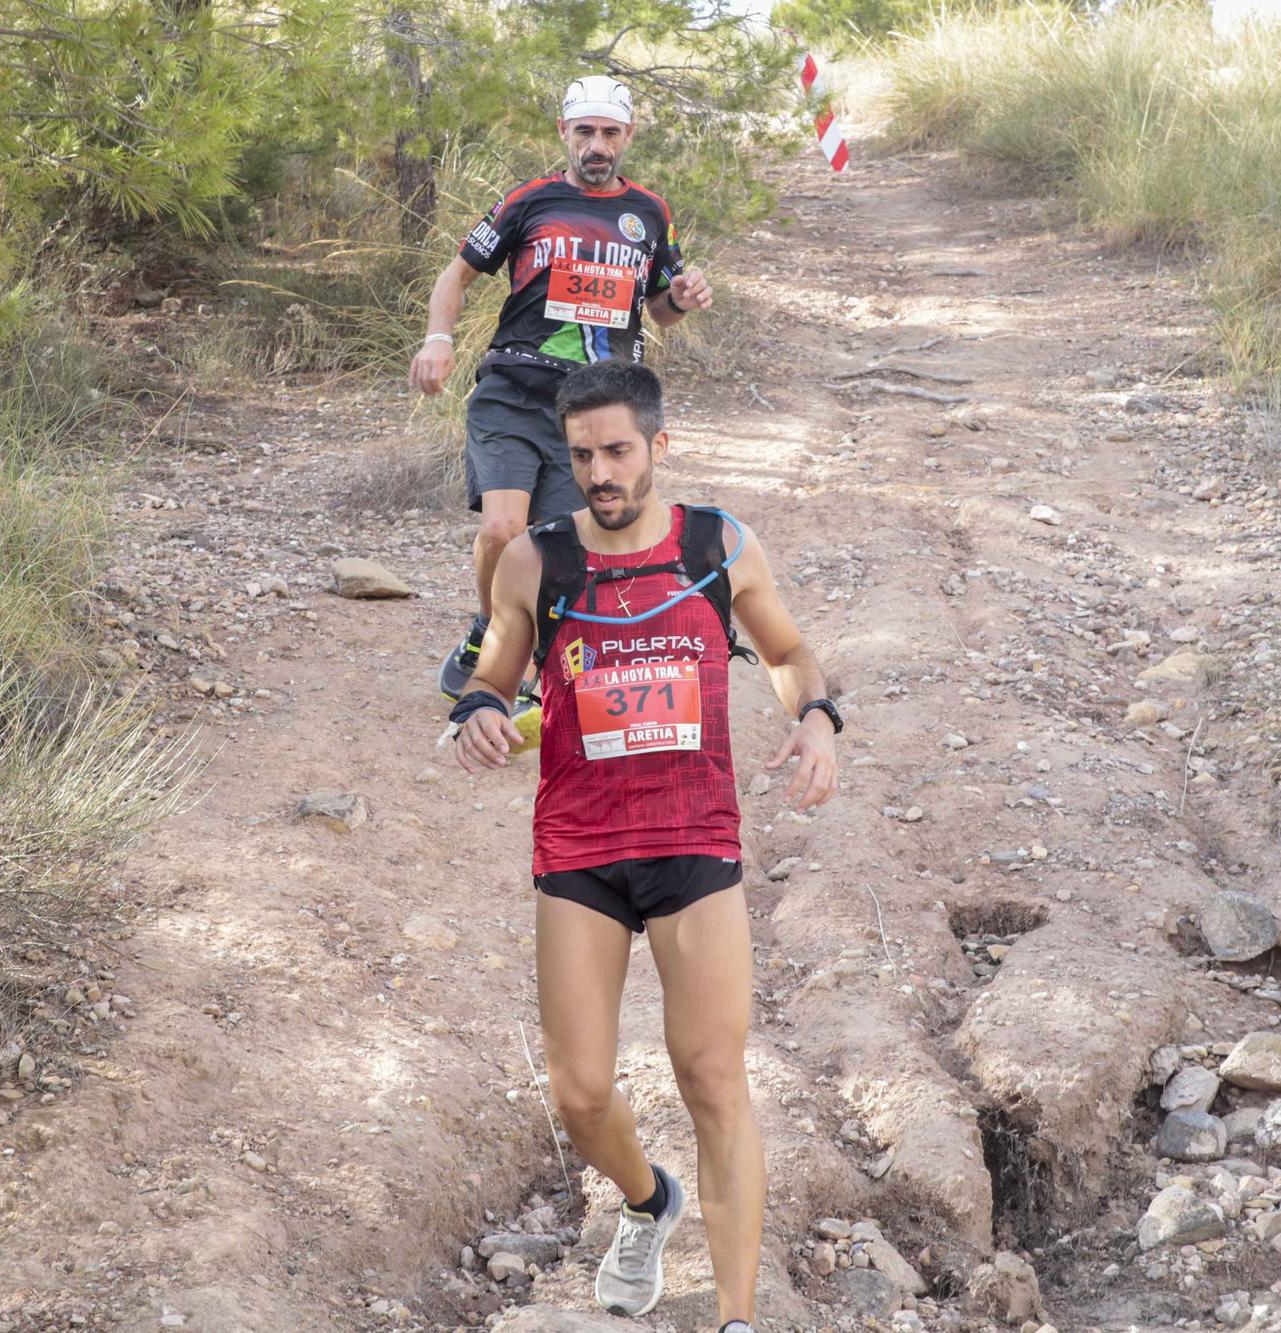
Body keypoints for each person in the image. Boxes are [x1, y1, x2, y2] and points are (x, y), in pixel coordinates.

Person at [448, 362, 840, 1330]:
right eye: (581, 455)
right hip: (578, 844)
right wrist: (479, 710)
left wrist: (817, 718)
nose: (598, 473)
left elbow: (787, 655)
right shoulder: (534, 561)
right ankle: (643, 1199)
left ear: (658, 447)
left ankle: (737, 1316)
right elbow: (493, 670)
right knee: (580, 1094)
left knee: (711, 1075)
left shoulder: (715, 544)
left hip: (692, 840)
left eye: (617, 451)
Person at [410, 73, 714, 702]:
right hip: (513, 390)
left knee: (558, 549)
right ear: (564, 134)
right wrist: (438, 339)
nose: (596, 145)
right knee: (502, 532)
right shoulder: (529, 201)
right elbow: (455, 277)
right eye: (584, 131)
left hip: (592, 409)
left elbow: (659, 309)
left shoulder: (651, 213)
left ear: (627, 135)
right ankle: (491, 632)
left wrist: (681, 300)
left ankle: (534, 662)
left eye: (608, 132)